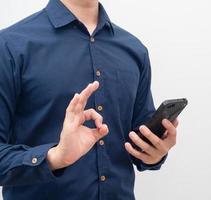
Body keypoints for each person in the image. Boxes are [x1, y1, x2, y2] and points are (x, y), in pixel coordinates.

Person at [0, 0, 179, 199]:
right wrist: (55, 157)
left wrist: (154, 153)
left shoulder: (135, 50)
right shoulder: (9, 46)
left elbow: (139, 145)